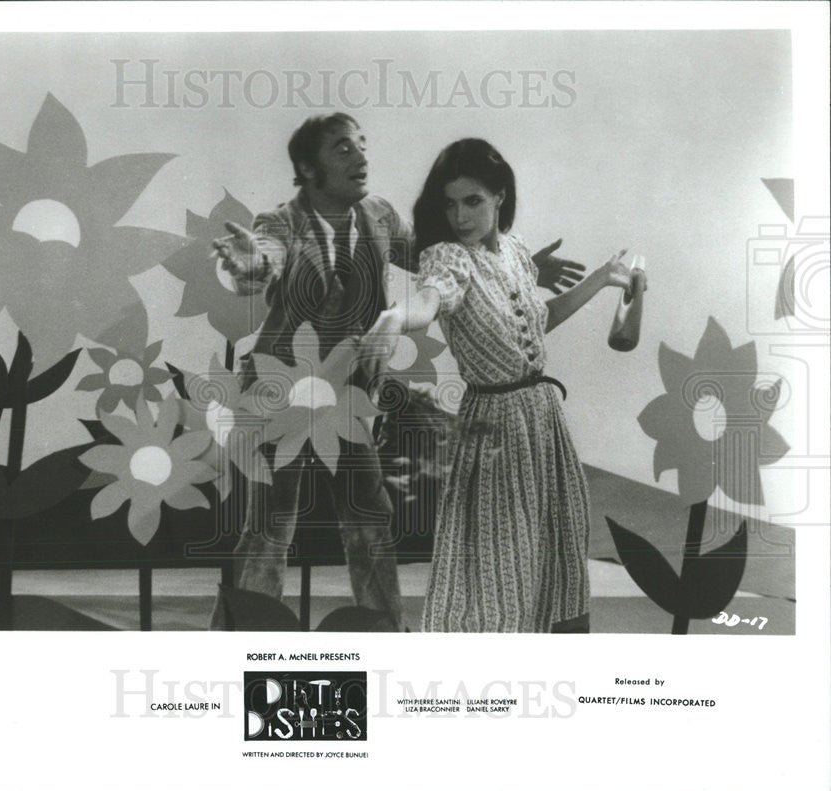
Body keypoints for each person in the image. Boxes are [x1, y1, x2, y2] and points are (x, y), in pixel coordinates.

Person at [210, 116, 589, 632]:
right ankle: (236, 639)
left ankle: (385, 634)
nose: (361, 157)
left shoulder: (380, 215)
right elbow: (262, 263)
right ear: (307, 168)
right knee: (271, 524)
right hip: (283, 393)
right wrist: (247, 267)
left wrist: (515, 269)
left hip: (347, 395)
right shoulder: (280, 223)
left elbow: (443, 260)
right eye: (343, 150)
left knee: (370, 517)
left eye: (362, 146)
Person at [360, 138, 643, 633]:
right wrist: (394, 317)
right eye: (449, 204)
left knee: (552, 547)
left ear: (499, 197)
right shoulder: (447, 258)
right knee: (497, 564)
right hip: (493, 428)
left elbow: (538, 322)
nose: (460, 216)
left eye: (472, 201)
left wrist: (601, 279)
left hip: (543, 422)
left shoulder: (513, 251)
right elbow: (428, 304)